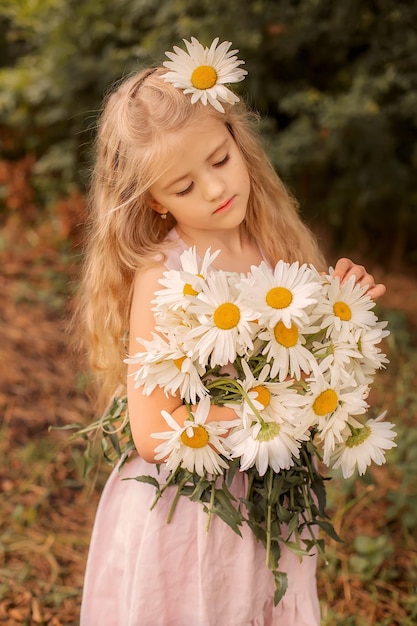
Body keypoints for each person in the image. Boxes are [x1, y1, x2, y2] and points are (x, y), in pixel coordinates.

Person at [78, 37, 386, 626]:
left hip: (269, 500)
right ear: (157, 203)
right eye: (184, 188)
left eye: (219, 161)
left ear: (236, 138)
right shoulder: (165, 276)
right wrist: (270, 410)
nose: (216, 190)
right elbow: (151, 432)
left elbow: (317, 367)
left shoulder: (274, 245)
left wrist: (345, 310)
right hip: (191, 511)